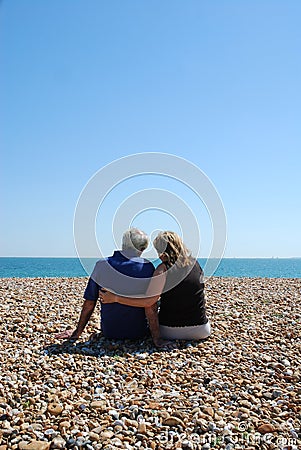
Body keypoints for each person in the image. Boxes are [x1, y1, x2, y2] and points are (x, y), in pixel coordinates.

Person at [56, 228, 165, 346]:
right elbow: (150, 307)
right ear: (142, 249)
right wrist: (157, 339)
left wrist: (77, 333)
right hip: (138, 332)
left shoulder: (101, 265)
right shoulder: (146, 267)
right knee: (155, 300)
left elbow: (89, 303)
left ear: (123, 244)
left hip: (110, 331)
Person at [100, 231, 211, 341]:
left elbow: (148, 302)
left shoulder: (162, 270)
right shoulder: (195, 264)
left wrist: (116, 298)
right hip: (201, 330)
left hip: (171, 331)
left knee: (153, 302)